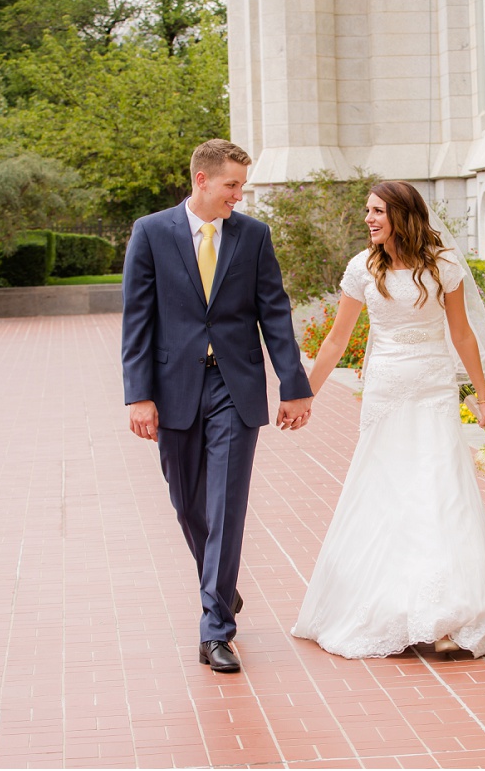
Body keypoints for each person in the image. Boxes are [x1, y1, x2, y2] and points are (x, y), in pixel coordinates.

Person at [291, 180, 485, 659]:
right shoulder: (361, 268)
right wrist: (304, 395)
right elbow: (336, 340)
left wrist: (483, 397)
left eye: (378, 211)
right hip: (387, 391)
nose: (369, 219)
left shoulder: (443, 265)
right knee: (387, 488)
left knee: (440, 492)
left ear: (403, 216)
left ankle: (447, 617)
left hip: (433, 389)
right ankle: (389, 606)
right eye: (367, 211)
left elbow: (463, 335)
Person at [121, 139, 314, 674]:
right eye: (232, 185)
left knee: (227, 505)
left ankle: (215, 629)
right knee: (188, 506)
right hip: (173, 387)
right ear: (202, 181)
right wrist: (139, 395)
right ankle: (222, 585)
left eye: (241, 187)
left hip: (236, 385)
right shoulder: (152, 232)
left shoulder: (253, 236)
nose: (238, 196)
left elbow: (274, 312)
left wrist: (293, 384)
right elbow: (137, 319)